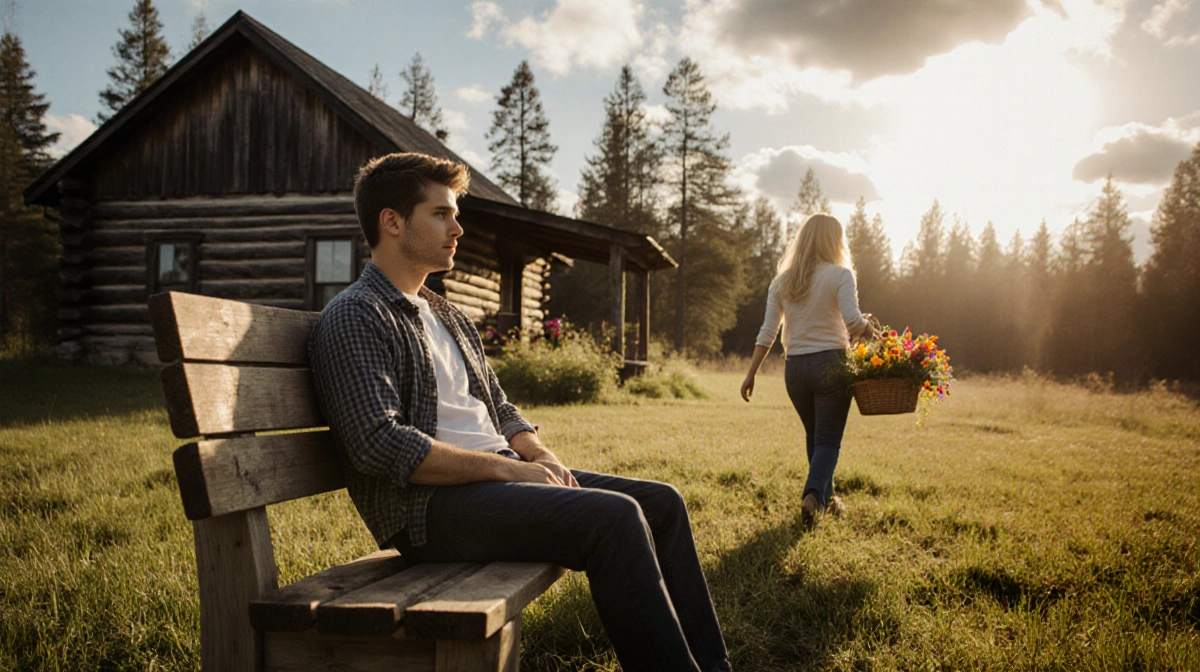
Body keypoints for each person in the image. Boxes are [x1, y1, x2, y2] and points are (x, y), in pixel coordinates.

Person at [308, 152, 730, 672]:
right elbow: (378, 443)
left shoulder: (447, 314)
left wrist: (537, 452)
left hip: (500, 480)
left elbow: (497, 404)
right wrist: (515, 469)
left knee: (662, 503)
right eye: (440, 213)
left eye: (454, 213)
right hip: (429, 511)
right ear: (391, 222)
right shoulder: (357, 315)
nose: (457, 227)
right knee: (614, 519)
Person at [740, 214, 877, 525]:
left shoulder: (782, 282)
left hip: (795, 370)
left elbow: (768, 331)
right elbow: (854, 322)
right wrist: (872, 332)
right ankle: (813, 496)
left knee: (815, 436)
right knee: (828, 441)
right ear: (835, 241)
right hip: (831, 366)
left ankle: (827, 500)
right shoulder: (840, 274)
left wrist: (751, 373)